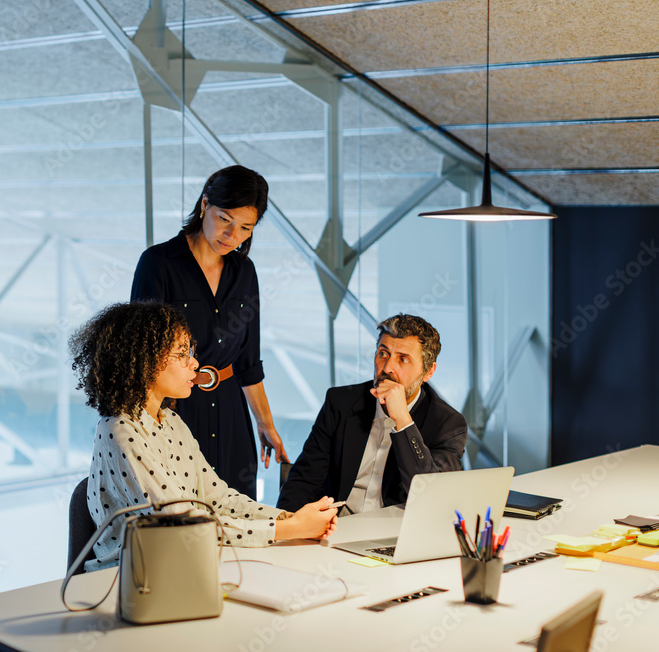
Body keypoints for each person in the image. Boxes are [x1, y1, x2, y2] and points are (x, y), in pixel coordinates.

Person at [69, 301, 339, 571]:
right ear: (145, 361)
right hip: (129, 581)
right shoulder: (120, 430)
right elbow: (182, 524)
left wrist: (290, 519)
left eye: (191, 351)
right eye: (182, 353)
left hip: (182, 567)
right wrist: (288, 528)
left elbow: (219, 499)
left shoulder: (172, 421)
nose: (195, 363)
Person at [130, 165, 285, 499]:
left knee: (239, 513)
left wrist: (265, 424)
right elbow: (142, 356)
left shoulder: (245, 272)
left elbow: (247, 361)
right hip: (174, 410)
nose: (232, 235)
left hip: (232, 415)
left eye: (246, 228)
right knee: (183, 516)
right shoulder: (158, 263)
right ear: (204, 205)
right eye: (225, 219)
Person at [278, 313, 467, 514]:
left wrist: (403, 421)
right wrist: (290, 531)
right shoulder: (341, 402)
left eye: (403, 359)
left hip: (396, 536)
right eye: (383, 354)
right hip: (336, 528)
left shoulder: (447, 424)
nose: (387, 368)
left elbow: (432, 497)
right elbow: (304, 481)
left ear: (428, 371)